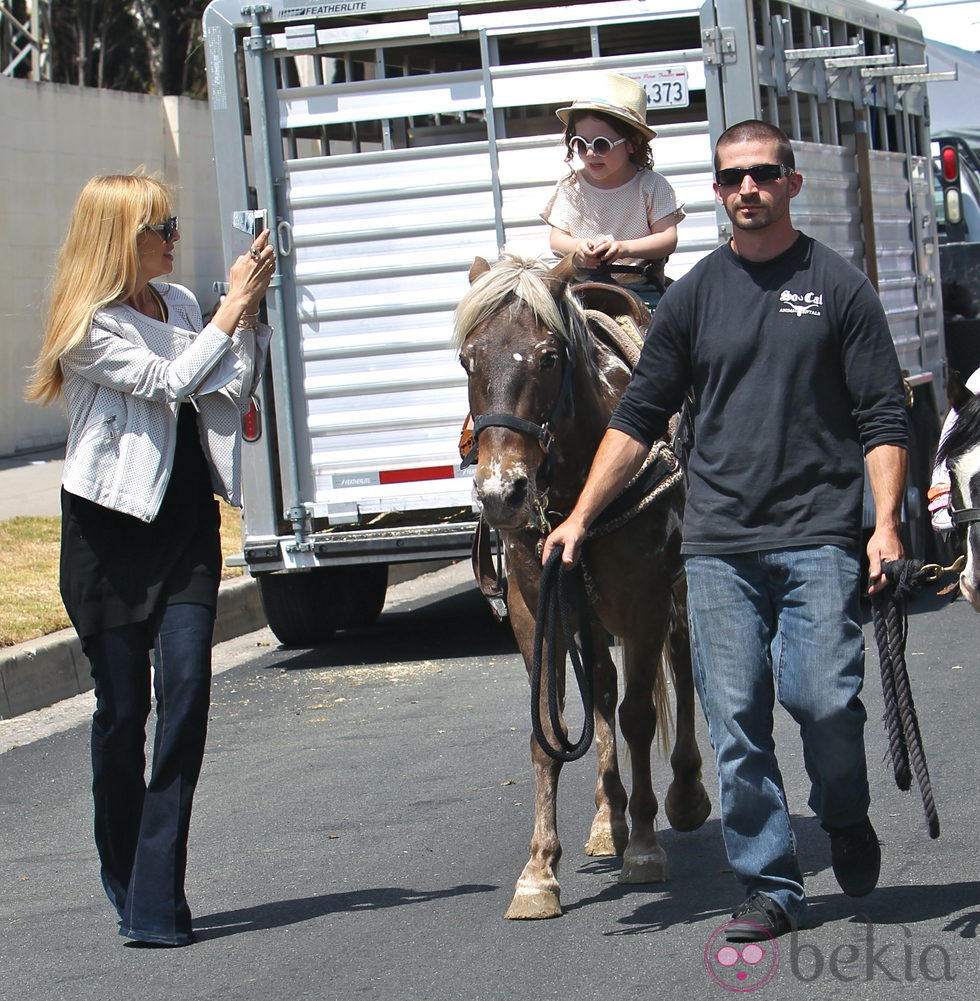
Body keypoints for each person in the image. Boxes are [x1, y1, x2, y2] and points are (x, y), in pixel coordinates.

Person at [542, 121, 909, 942]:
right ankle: (772, 882)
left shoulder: (839, 287)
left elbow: (885, 416)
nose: (748, 188)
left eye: (763, 174)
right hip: (718, 546)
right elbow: (638, 417)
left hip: (818, 535)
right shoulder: (698, 295)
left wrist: (884, 525)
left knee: (824, 702)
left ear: (790, 183)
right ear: (716, 190)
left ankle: (844, 812)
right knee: (736, 718)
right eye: (732, 177)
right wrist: (578, 517)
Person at [26, 173, 275, 947]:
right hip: (107, 534)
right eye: (159, 227)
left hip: (184, 527)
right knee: (122, 715)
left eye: (171, 224)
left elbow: (223, 381)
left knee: (190, 693)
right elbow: (167, 380)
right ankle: (128, 873)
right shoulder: (85, 326)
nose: (174, 237)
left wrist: (250, 320)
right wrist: (230, 311)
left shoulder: (184, 308)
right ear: (118, 240)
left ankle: (158, 894)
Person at [540, 71, 684, 297]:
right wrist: (578, 249)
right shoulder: (570, 188)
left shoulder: (651, 185)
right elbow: (557, 239)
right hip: (580, 288)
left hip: (639, 285)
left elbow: (667, 238)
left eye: (602, 145)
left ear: (632, 143)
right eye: (579, 144)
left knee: (666, 327)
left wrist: (625, 248)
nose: (590, 153)